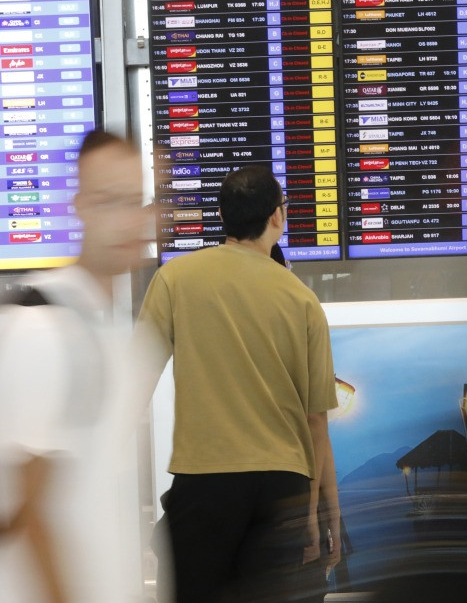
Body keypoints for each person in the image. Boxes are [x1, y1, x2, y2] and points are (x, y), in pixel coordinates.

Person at [137, 165, 340, 602]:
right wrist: (313, 513)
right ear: (277, 216)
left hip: (205, 482)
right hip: (282, 486)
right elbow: (316, 421)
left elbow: (134, 384)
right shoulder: (302, 299)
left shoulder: (175, 277)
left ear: (222, 216)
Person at [0, 130, 151, 602]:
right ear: (80, 206)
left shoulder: (115, 333)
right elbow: (27, 515)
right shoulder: (45, 327)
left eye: (135, 202)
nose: (128, 220)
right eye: (109, 202)